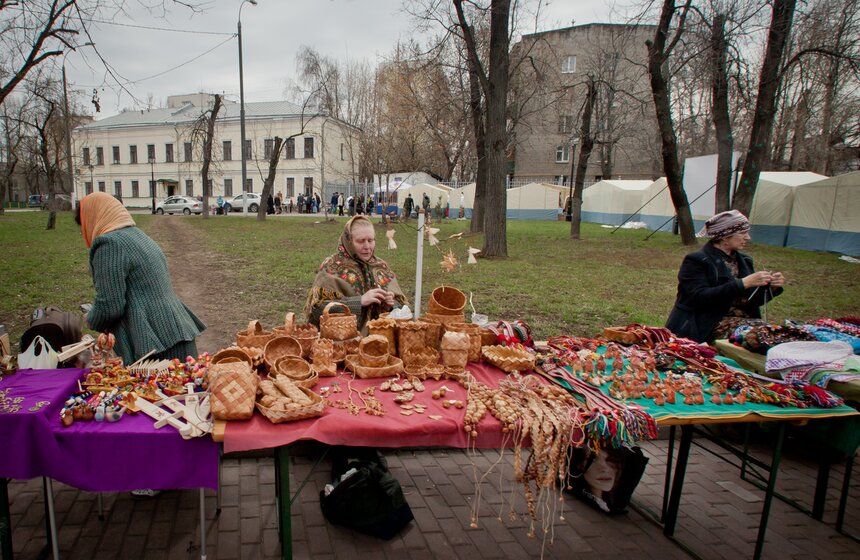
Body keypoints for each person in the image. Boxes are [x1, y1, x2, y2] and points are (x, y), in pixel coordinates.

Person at [75, 192, 205, 365]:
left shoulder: (109, 244)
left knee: (160, 389)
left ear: (92, 218)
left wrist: (92, 318)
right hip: (172, 331)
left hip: (153, 342)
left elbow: (110, 306)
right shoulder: (137, 235)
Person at [666, 210, 785, 343]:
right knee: (761, 339)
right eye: (743, 233)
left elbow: (751, 301)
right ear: (725, 236)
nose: (748, 237)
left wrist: (771, 288)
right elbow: (699, 297)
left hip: (745, 322)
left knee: (779, 335)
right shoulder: (697, 260)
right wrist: (742, 284)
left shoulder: (744, 260)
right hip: (707, 323)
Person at [305, 215, 408, 334]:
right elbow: (318, 309)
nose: (367, 246)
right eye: (360, 241)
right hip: (343, 342)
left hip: (380, 343)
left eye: (370, 240)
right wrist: (359, 301)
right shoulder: (331, 267)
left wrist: (390, 305)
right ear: (348, 241)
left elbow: (402, 309)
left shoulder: (381, 267)